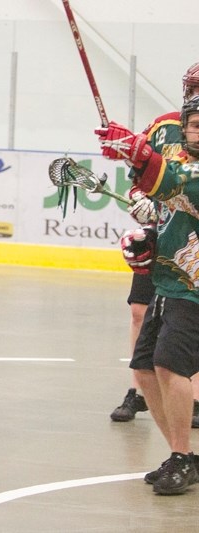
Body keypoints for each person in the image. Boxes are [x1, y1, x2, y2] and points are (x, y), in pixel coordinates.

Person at [95, 95, 199, 495]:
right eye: (194, 125)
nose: (198, 133)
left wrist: (139, 155)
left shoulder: (188, 173)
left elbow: (175, 183)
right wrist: (150, 241)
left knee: (171, 365)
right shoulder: (181, 164)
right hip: (170, 282)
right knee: (143, 368)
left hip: (194, 291)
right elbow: (173, 208)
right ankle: (181, 456)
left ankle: (183, 455)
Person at [109, 62, 199, 427]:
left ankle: (191, 395)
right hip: (163, 239)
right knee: (139, 312)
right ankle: (137, 390)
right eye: (193, 89)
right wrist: (140, 202)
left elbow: (171, 179)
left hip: (189, 251)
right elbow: (138, 176)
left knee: (187, 323)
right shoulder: (165, 126)